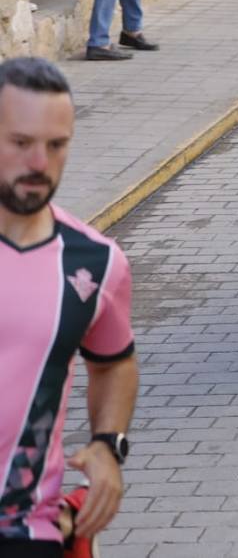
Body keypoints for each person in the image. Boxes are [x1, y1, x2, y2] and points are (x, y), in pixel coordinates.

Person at [0, 57, 139, 555]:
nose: (39, 162)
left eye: (55, 145)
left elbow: (114, 364)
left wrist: (108, 445)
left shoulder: (96, 263)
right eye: (20, 143)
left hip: (24, 533)